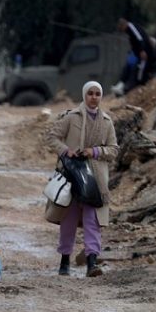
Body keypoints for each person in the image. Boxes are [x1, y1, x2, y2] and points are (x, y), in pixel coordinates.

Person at [45, 81, 119, 278]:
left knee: (92, 220)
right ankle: (64, 261)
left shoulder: (107, 121)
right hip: (71, 175)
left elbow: (113, 149)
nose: (94, 97)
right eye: (90, 93)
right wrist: (66, 151)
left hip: (95, 179)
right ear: (84, 95)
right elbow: (52, 137)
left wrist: (94, 152)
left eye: (97, 94)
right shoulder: (71, 117)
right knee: (68, 218)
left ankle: (92, 263)